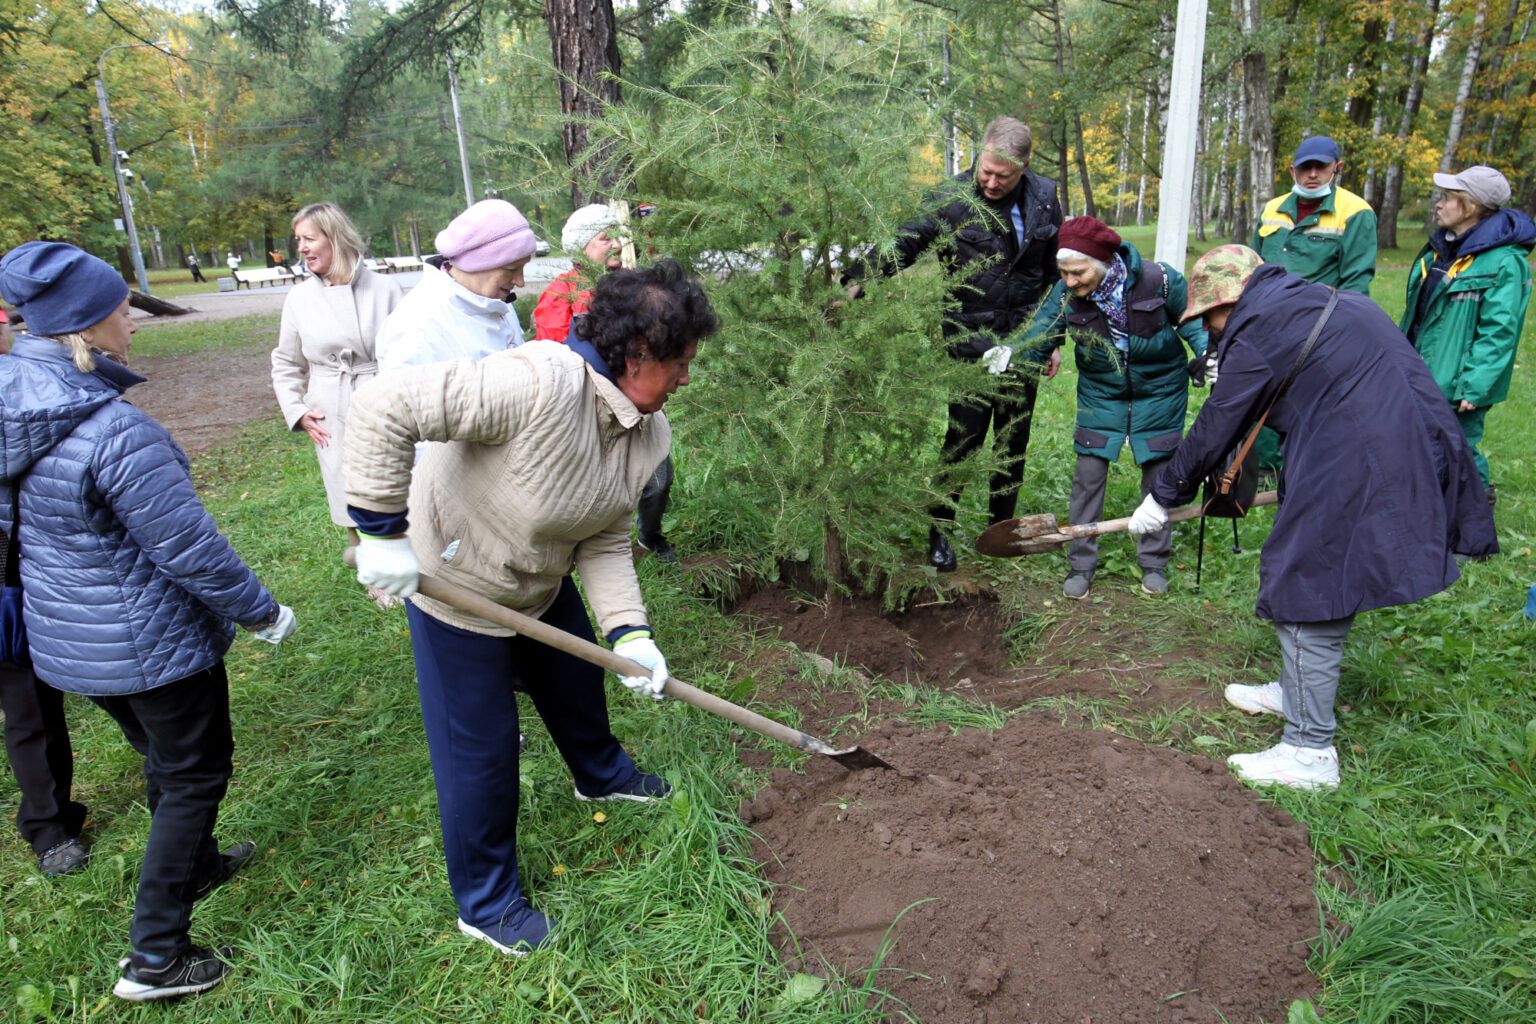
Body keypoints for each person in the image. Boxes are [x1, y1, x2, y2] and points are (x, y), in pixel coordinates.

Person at [344, 259, 718, 955]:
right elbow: (381, 406)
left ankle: (601, 777)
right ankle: (484, 903)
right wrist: (378, 530)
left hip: (538, 579)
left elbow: (603, 538)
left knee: (577, 685)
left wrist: (629, 633)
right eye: (681, 363)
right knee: (480, 752)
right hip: (457, 584)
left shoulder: (647, 430)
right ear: (637, 354)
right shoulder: (536, 381)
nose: (687, 379)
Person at [0, 241, 298, 999]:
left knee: (167, 763)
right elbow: (189, 549)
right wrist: (263, 612)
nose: (131, 318)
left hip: (70, 642)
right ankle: (157, 954)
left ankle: (195, 866)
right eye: (120, 307)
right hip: (149, 646)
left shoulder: (11, 404)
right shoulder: (113, 432)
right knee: (196, 773)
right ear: (86, 325)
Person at [1127, 245, 1496, 789]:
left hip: (1360, 457)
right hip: (1393, 443)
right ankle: (1293, 688)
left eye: (1209, 316)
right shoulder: (1322, 303)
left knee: (1308, 580)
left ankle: (1309, 752)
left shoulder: (1261, 327)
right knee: (1317, 569)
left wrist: (1162, 496)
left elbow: (1217, 423)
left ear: (1231, 297)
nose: (1210, 328)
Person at [843, 116, 1062, 571]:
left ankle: (1004, 533)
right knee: (962, 441)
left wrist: (1051, 338)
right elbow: (906, 241)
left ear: (1024, 166)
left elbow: (1053, 273)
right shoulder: (952, 197)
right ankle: (939, 532)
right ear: (979, 154)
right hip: (970, 342)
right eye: (986, 170)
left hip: (1024, 341)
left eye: (1003, 175)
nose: (991, 181)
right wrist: (856, 281)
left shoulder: (1045, 198)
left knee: (1012, 440)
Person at [1022, 216, 1207, 598]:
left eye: (1078, 272)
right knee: (1087, 477)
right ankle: (1081, 564)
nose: (1070, 282)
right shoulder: (1065, 294)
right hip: (1100, 391)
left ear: (1103, 262)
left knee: (1159, 475)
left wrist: (1208, 351)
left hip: (1159, 390)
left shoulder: (1160, 280)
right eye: (1064, 273)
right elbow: (1042, 331)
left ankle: (1154, 563)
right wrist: (1012, 353)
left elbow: (1194, 321)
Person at [270, 202, 405, 603]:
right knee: (347, 489)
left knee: (395, 482)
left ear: (336, 237)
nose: (303, 249)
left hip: (381, 394)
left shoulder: (384, 290)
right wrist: (297, 410)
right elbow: (285, 361)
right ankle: (374, 575)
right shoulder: (299, 299)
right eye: (299, 241)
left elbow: (409, 348)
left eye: (309, 239)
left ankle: (413, 560)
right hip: (329, 402)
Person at [533, 204, 679, 561]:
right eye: (604, 239)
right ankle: (592, 552)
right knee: (595, 485)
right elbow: (550, 355)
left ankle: (649, 536)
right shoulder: (561, 294)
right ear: (581, 247)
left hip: (636, 403)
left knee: (658, 478)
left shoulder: (635, 287)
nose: (614, 244)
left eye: (618, 236)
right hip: (586, 407)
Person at [0, 315, 89, 879]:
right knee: (27, 703)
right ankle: (48, 824)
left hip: (48, 562)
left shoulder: (24, 377)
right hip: (7, 577)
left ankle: (179, 776)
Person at [1399, 165, 1534, 512]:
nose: (1439, 205)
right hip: (1422, 367)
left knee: (1459, 445)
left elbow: (1499, 330)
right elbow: (1417, 313)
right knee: (1423, 440)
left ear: (1470, 207)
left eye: (1447, 199)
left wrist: (1476, 383)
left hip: (1458, 378)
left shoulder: (1504, 262)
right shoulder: (1440, 250)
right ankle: (1432, 508)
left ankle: (1475, 514)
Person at [1250, 135, 1379, 479]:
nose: (1312, 175)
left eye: (1320, 167)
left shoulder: (1355, 212)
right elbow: (1251, 264)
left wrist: (1344, 332)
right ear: (1292, 169)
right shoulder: (1271, 209)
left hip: (1317, 326)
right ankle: (1263, 467)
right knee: (1261, 390)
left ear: (1336, 169)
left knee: (1309, 398)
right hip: (1267, 322)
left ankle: (1305, 467)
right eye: (1305, 167)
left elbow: (1356, 282)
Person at [375, 198, 535, 371]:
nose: (520, 281)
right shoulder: (415, 329)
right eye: (511, 269)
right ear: (476, 264)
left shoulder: (496, 300)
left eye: (522, 268)